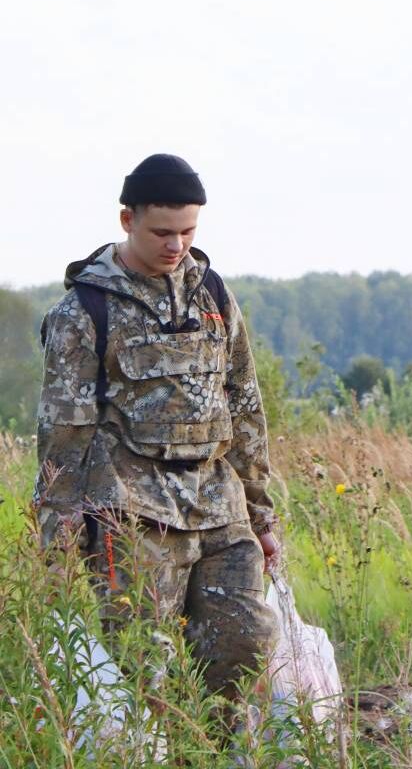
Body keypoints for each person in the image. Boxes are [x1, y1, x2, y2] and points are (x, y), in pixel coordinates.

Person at [35, 154, 279, 705]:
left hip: (221, 507)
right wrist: (58, 534)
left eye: (188, 231)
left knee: (244, 648)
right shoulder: (84, 310)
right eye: (162, 232)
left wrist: (262, 514)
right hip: (132, 514)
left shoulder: (213, 294)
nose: (177, 245)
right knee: (146, 669)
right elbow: (62, 431)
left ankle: (220, 756)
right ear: (128, 221)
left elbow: (244, 404)